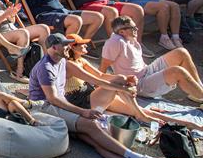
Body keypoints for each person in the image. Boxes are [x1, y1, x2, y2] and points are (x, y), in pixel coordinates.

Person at [29, 33, 174, 158]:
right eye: (65, 45)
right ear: (53, 47)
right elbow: (53, 99)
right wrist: (83, 111)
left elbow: (95, 79)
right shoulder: (46, 67)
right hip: (44, 108)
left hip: (58, 104)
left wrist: (123, 89)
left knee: (91, 137)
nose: (68, 47)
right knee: (91, 125)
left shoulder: (64, 62)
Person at [65, 33, 203, 131]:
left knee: (149, 112)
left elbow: (100, 74)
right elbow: (96, 80)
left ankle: (192, 125)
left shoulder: (81, 60)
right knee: (120, 85)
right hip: (82, 101)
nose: (85, 47)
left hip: (93, 95)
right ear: (73, 48)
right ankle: (140, 115)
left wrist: (125, 78)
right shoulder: (70, 65)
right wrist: (122, 84)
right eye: (82, 45)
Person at [99, 16, 203, 102]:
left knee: (181, 52)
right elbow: (103, 66)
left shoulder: (130, 39)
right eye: (133, 28)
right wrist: (98, 87)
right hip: (138, 84)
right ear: (122, 32)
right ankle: (201, 95)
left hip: (147, 71)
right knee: (177, 71)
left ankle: (199, 89)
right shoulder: (115, 42)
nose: (137, 29)